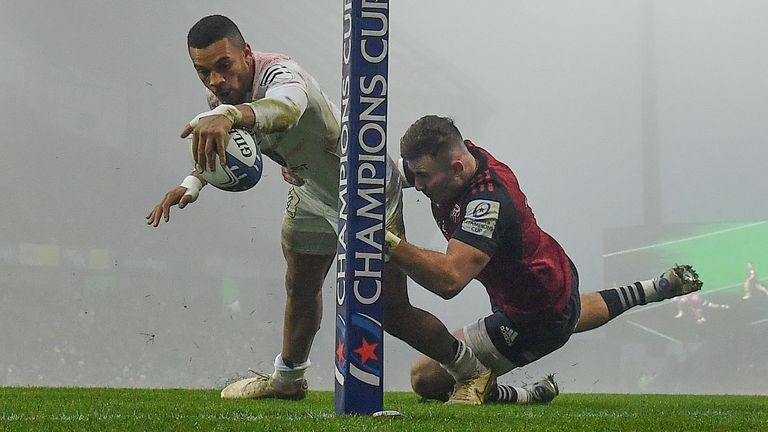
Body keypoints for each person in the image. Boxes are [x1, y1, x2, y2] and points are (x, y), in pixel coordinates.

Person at [146, 15, 497, 405]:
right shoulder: (221, 100)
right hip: (312, 192)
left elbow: (285, 110)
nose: (215, 81)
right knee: (299, 286)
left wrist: (227, 116)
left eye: (223, 66)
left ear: (246, 54)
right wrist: (193, 181)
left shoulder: (282, 75)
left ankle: (473, 372)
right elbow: (233, 147)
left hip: (367, 189)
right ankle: (288, 379)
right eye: (203, 72)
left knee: (391, 311)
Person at [384, 115, 703, 403]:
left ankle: (522, 396)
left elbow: (449, 280)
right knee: (570, 309)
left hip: (534, 314)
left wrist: (384, 240)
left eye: (423, 177)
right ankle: (655, 287)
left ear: (456, 168)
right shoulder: (457, 160)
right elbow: (399, 171)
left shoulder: (488, 202)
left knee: (425, 378)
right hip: (551, 279)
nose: (418, 185)